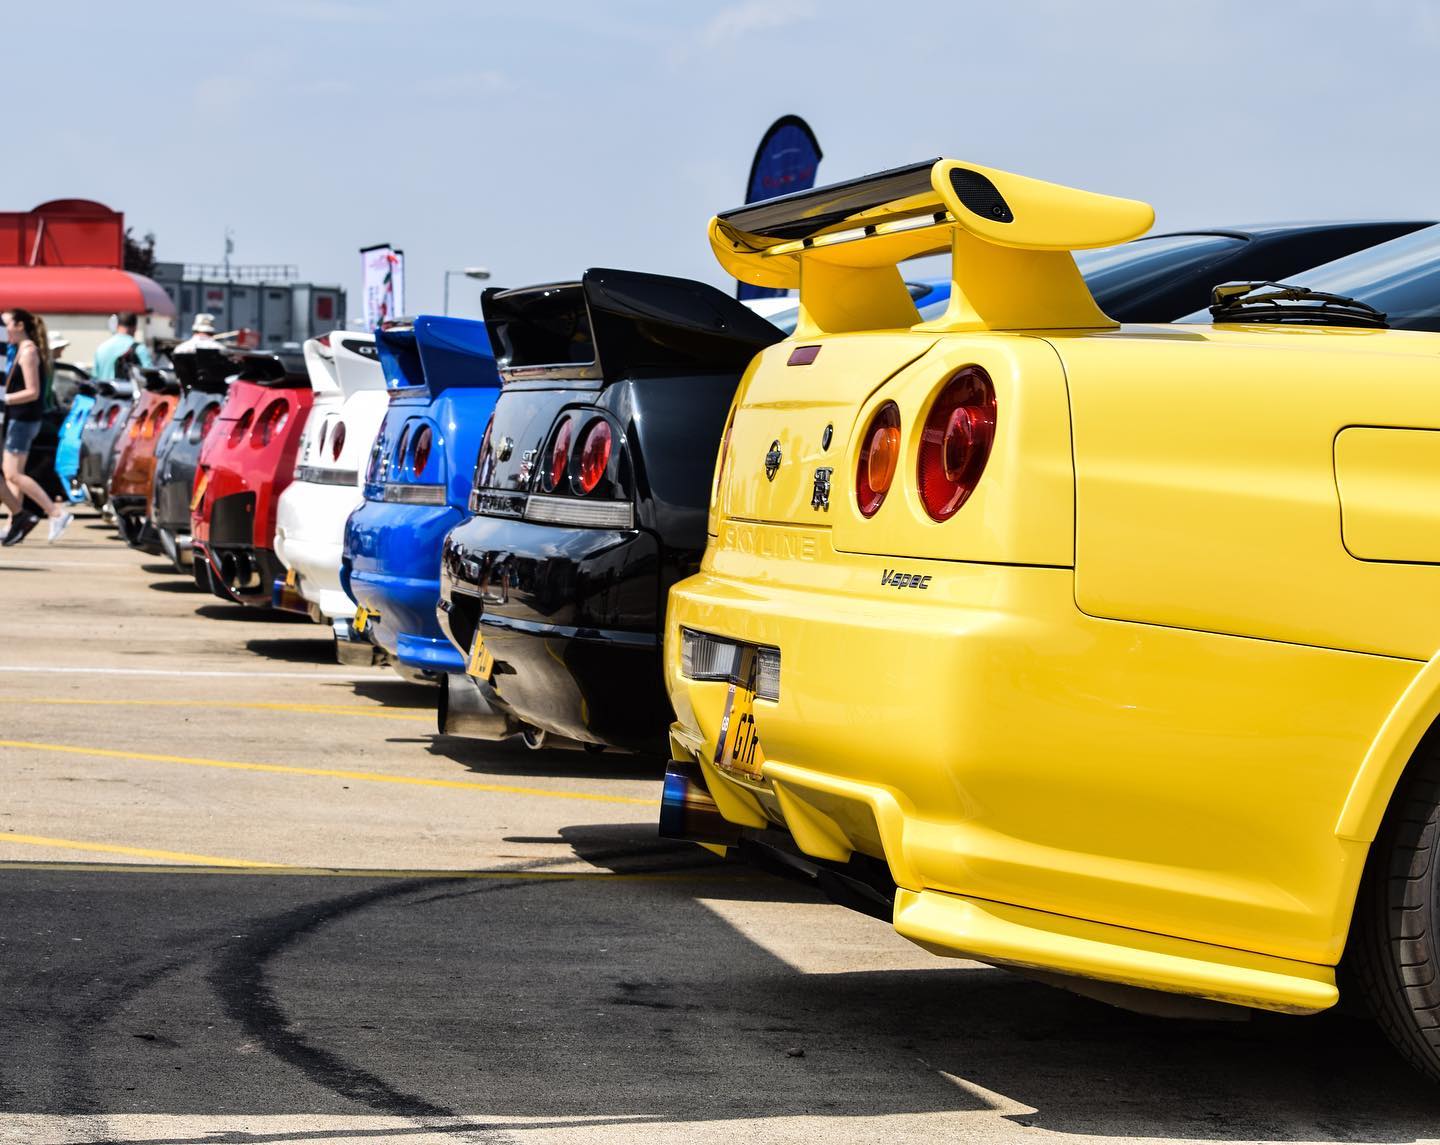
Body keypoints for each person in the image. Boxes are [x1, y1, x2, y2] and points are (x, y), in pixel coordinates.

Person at [1, 308, 73, 545]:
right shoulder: (20, 349)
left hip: (23, 418)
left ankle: (55, 512)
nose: (4, 329)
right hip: (18, 418)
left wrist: (5, 399)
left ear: (20, 325)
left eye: (7, 324)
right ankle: (14, 522)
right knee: (11, 475)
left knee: (13, 473)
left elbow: (33, 392)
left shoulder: (28, 351)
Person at [91, 311, 153, 380]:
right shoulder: (139, 349)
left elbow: (94, 378)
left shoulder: (101, 348)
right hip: (127, 390)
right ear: (135, 328)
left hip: (105, 389)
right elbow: (151, 377)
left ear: (117, 326)